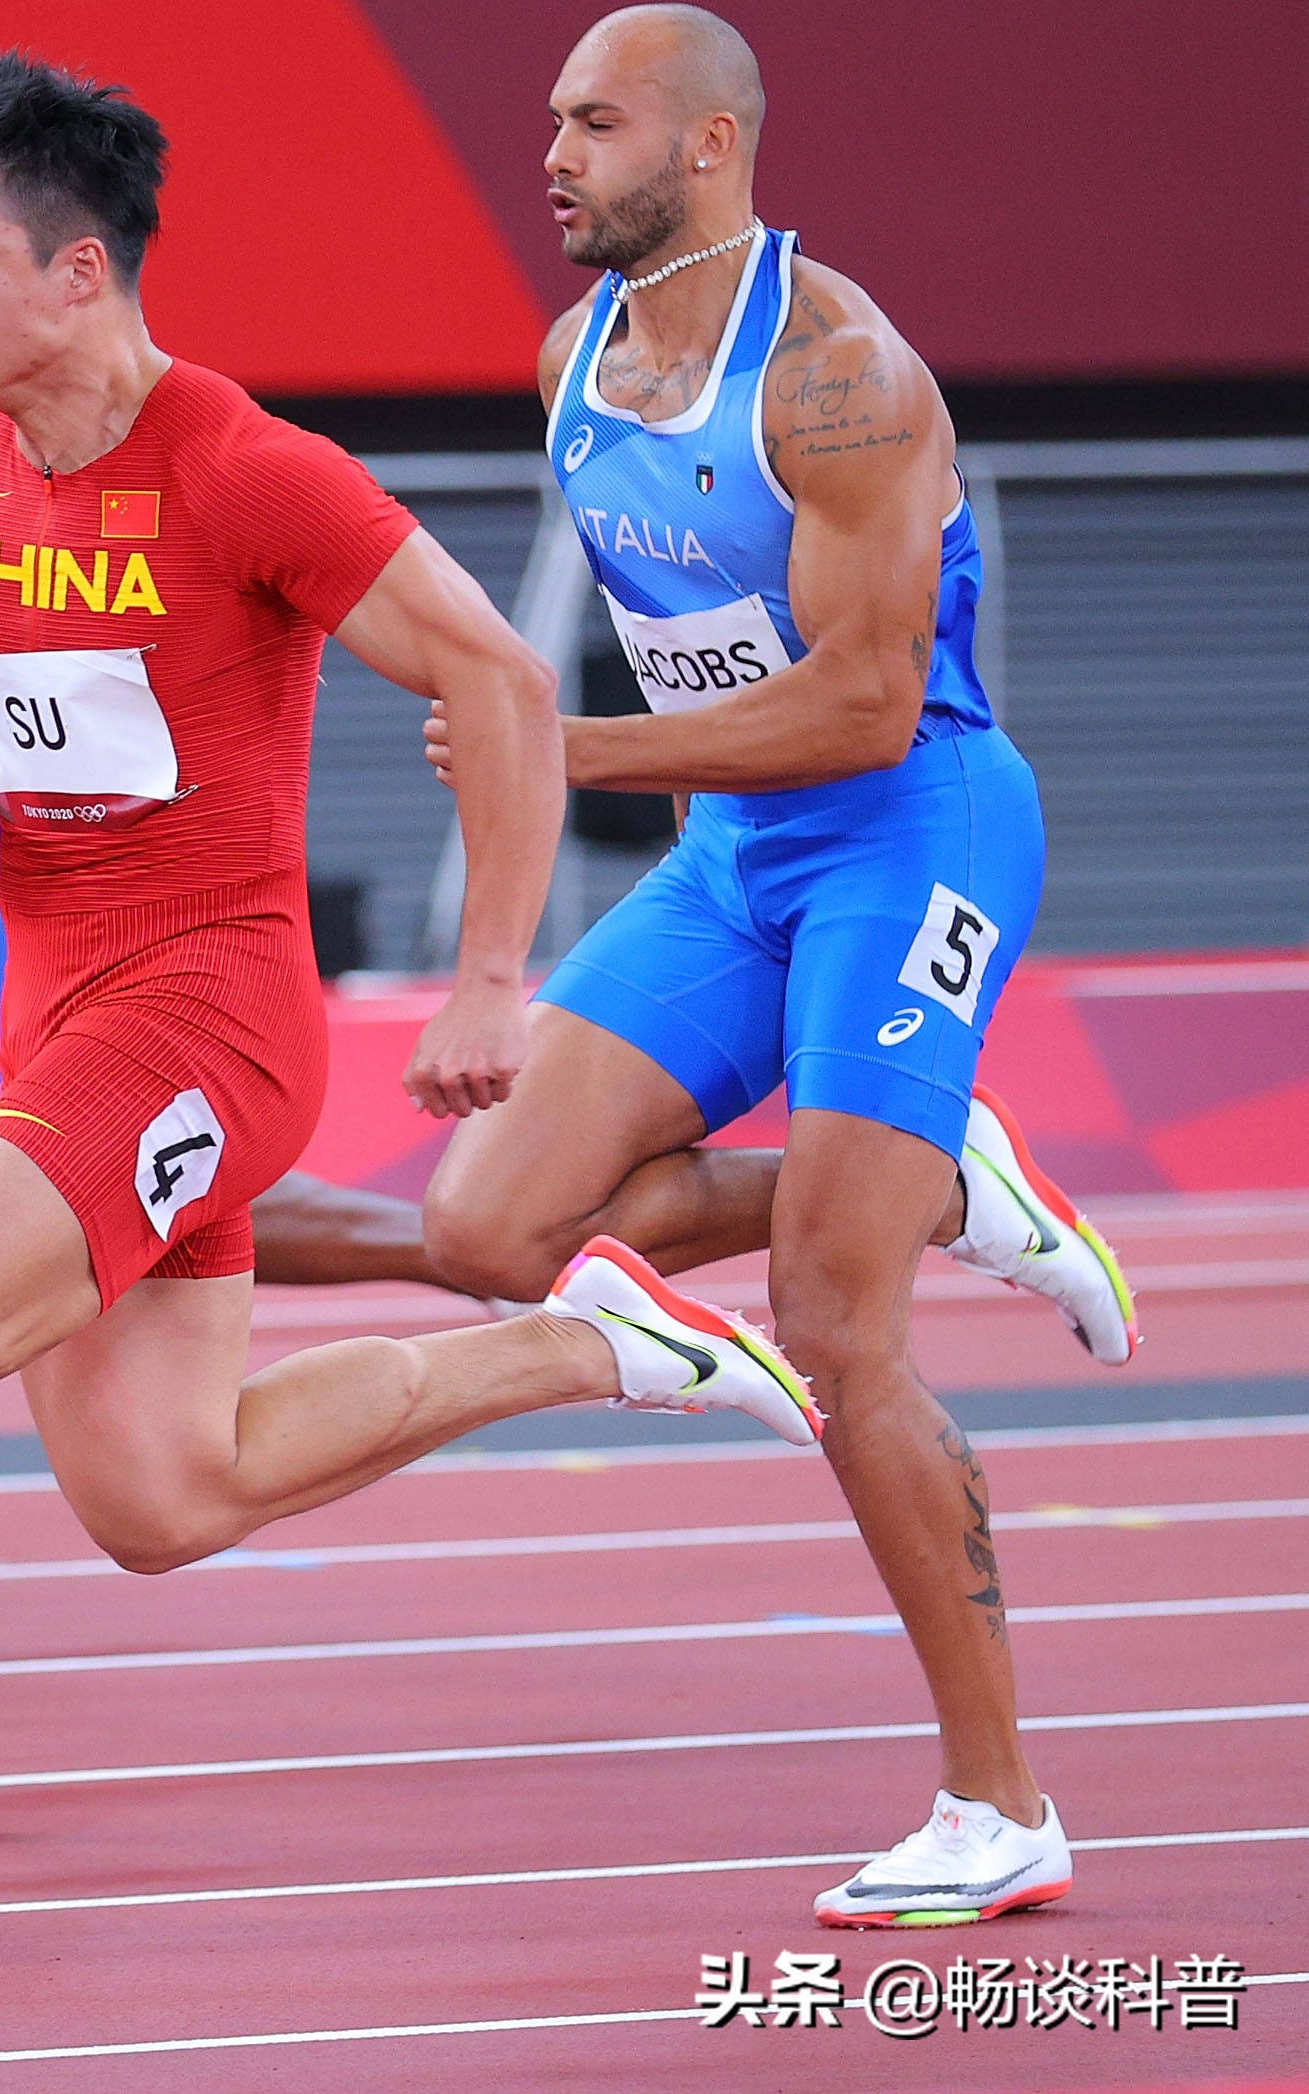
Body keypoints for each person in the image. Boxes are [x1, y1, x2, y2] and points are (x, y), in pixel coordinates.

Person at [0, 54, 816, 1965]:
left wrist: (489, 978)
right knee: (160, 1493)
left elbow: (502, 684)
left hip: (209, 1013)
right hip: (57, 1011)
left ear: (79, 275)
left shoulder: (241, 465)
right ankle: (590, 1345)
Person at [419, 5, 1136, 1929]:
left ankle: (1001, 1805)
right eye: (550, 116)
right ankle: (937, 1177)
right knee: (488, 1228)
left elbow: (862, 701)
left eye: (597, 120)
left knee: (835, 1325)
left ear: (712, 146)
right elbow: (704, 661)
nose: (554, 151)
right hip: (732, 861)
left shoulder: (838, 374)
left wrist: (555, 748)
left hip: (914, 831)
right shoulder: (575, 357)